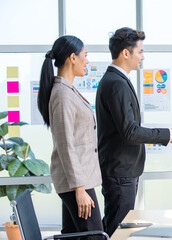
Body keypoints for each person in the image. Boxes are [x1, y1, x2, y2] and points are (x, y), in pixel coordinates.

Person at [95, 27, 172, 237]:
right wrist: (169, 134)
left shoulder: (116, 80)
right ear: (126, 53)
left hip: (121, 171)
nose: (143, 57)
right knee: (118, 231)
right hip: (120, 173)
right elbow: (130, 132)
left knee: (116, 226)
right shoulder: (116, 83)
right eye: (140, 51)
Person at [37, 36, 103, 239]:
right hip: (77, 182)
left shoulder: (66, 90)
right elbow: (66, 144)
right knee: (95, 236)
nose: (87, 61)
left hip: (77, 181)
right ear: (73, 57)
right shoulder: (63, 94)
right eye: (85, 55)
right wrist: (80, 189)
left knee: (73, 236)